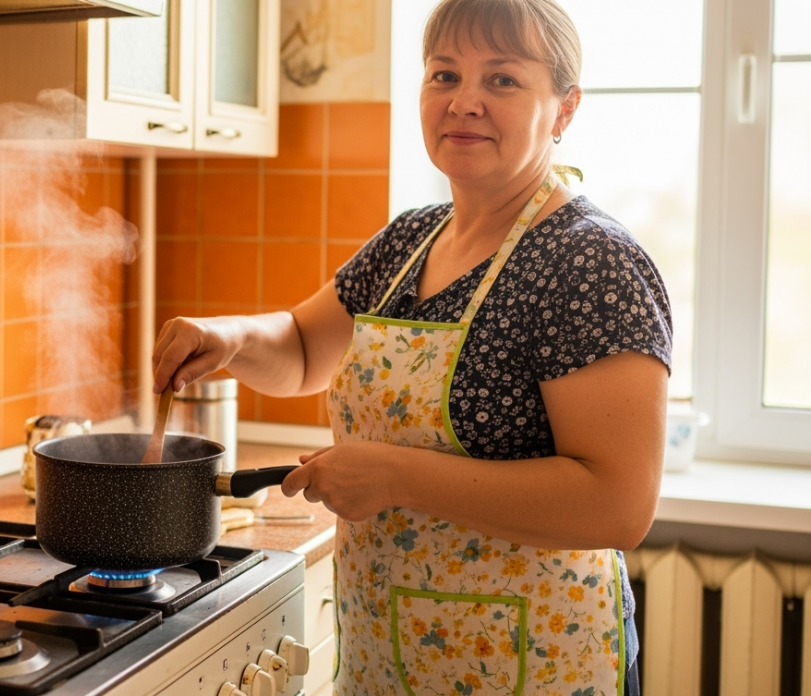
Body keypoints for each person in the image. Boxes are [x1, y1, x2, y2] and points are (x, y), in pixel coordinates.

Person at [150, 0, 672, 691]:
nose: (465, 102)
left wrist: (396, 476)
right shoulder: (408, 242)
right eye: (444, 75)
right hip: (389, 657)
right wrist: (229, 337)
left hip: (536, 664)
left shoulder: (590, 262)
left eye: (503, 81)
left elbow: (618, 505)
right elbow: (306, 348)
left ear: (565, 109)